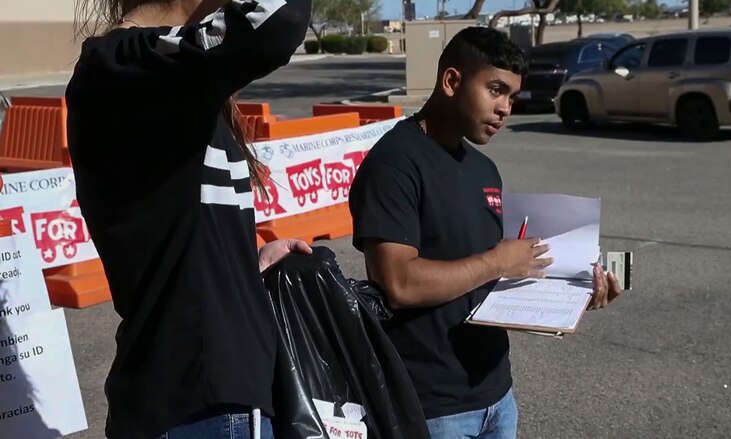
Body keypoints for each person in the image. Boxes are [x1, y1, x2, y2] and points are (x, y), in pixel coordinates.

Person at [348, 26, 622, 439]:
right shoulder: (394, 164)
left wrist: (574, 294)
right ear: (452, 81)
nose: (505, 108)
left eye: (511, 96)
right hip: (430, 407)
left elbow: (490, 280)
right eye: (495, 90)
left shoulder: (483, 169)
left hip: (496, 396)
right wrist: (500, 259)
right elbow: (398, 283)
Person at [66, 0, 312, 437]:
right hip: (198, 404)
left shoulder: (162, 76)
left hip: (211, 398)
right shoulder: (124, 63)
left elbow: (163, 231)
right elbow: (277, 22)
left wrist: (244, 264)